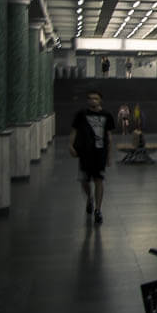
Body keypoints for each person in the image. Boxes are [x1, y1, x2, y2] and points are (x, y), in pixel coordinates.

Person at [68, 90, 116, 224]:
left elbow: (109, 136)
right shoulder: (81, 115)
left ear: (100, 100)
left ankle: (98, 210)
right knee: (84, 180)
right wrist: (71, 145)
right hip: (84, 153)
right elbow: (74, 130)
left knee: (99, 180)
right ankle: (89, 198)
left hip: (100, 153)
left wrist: (109, 156)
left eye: (95, 98)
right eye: (90, 98)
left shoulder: (107, 115)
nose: (92, 100)